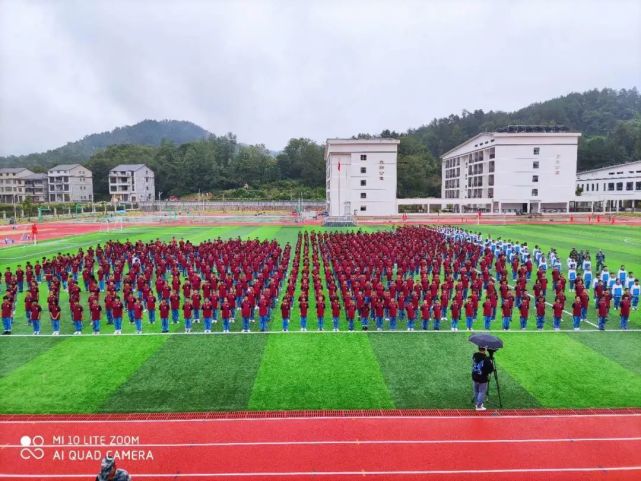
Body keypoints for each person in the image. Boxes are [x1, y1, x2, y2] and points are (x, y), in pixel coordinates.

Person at [471, 346, 495, 411]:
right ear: (485, 349)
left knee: (476, 391)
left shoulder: (474, 355)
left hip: (475, 376)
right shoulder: (486, 359)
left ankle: (477, 404)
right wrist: (491, 361)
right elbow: (490, 370)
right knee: (481, 391)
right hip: (482, 378)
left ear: (479, 348)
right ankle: (479, 406)